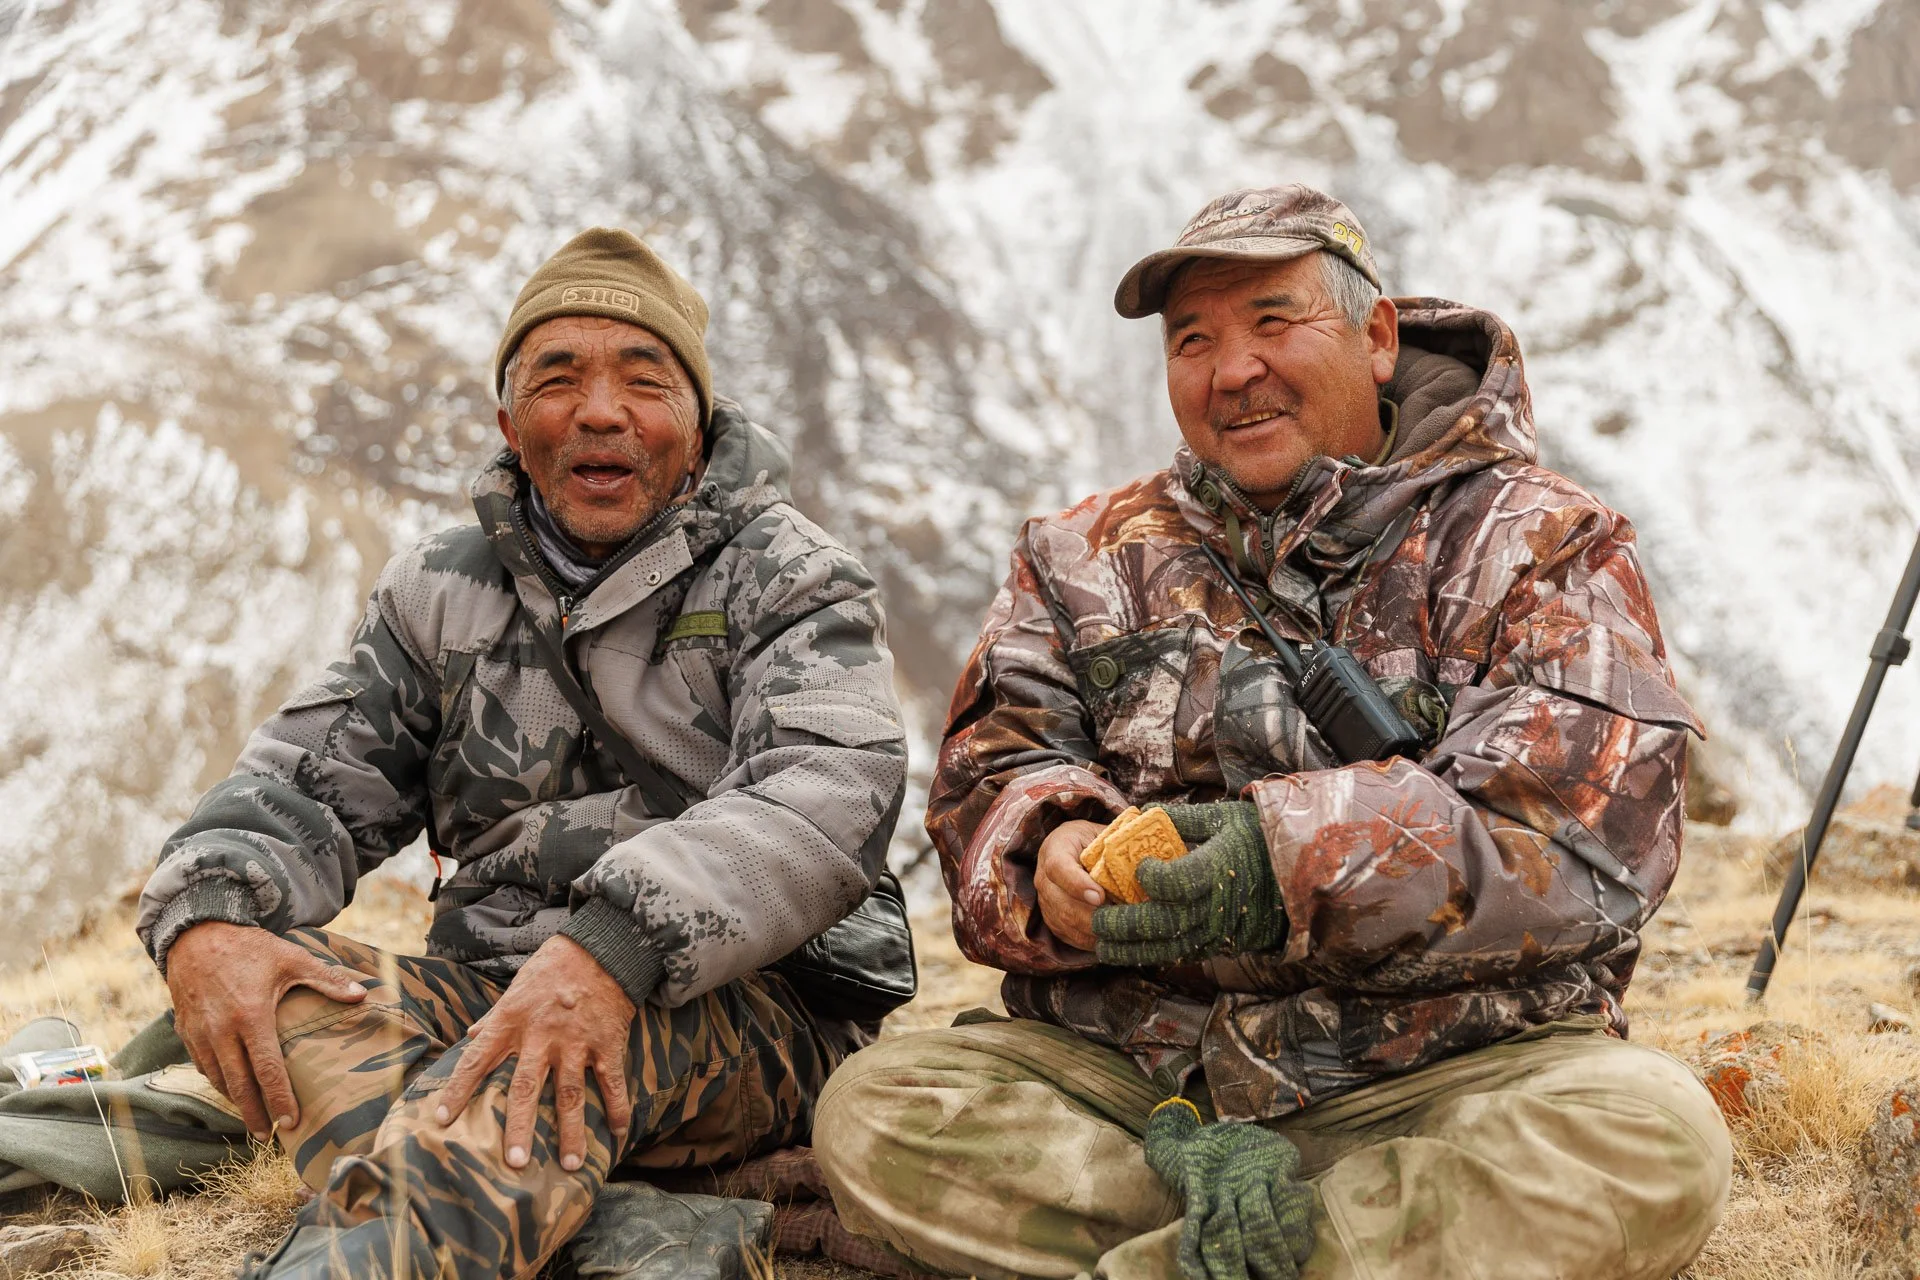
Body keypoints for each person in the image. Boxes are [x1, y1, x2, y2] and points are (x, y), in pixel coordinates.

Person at [811, 186, 1731, 1280]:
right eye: (1193, 339)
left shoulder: (1538, 542)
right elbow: (988, 775)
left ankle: (1181, 1260)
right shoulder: (1080, 554)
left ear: (1376, 336)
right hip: (1147, 1091)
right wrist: (1046, 846)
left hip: (1442, 1077)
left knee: (1651, 1139)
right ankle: (1322, 1242)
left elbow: (1585, 844)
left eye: (1271, 320)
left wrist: (1279, 863)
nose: (1232, 368)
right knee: (875, 1107)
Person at [135, 227, 909, 1278]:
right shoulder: (439, 588)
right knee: (280, 1014)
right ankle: (660, 1215)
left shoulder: (793, 578)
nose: (601, 410)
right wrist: (209, 916)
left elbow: (824, 797)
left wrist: (612, 951)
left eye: (644, 379)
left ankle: (412, 1219)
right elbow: (304, 776)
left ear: (698, 416)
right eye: (560, 377)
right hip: (494, 983)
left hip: (740, 1007)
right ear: (510, 420)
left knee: (545, 1063)